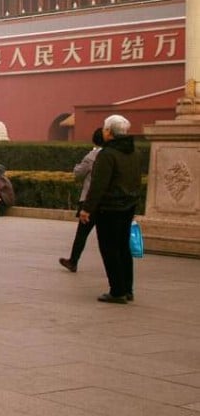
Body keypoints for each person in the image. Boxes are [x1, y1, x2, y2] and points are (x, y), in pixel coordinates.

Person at [79, 115, 142, 304]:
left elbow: (98, 185)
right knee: (123, 247)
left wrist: (87, 209)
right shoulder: (135, 152)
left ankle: (117, 290)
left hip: (110, 208)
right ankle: (127, 288)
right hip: (128, 205)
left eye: (105, 129)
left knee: (109, 248)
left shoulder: (107, 155)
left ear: (109, 132)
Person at [60, 128, 104, 273]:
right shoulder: (117, 154)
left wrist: (76, 167)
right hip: (108, 202)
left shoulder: (93, 155)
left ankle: (73, 261)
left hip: (89, 201)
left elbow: (78, 173)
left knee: (82, 234)